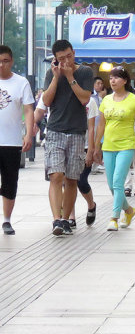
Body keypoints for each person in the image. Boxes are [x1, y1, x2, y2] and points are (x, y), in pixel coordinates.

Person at [41, 39, 94, 236]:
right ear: (55, 59)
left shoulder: (85, 72)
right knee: (56, 175)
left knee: (72, 179)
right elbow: (46, 101)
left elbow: (84, 98)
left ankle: (65, 220)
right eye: (61, 58)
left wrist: (71, 77)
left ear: (74, 52)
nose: (66, 61)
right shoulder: (51, 73)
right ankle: (56, 219)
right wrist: (56, 77)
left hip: (77, 132)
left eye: (69, 56)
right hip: (55, 130)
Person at [94, 67, 135, 231]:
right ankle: (129, 210)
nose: (112, 81)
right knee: (112, 186)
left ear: (125, 81)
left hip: (126, 145)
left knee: (118, 183)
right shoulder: (106, 100)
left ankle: (114, 218)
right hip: (108, 146)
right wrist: (96, 146)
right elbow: (101, 126)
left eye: (116, 78)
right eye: (111, 78)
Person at [35, 95, 98, 229]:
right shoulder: (53, 91)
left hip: (81, 142)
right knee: (58, 178)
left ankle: (91, 205)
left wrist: (92, 149)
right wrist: (31, 129)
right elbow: (40, 110)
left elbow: (92, 127)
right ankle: (67, 218)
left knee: (77, 181)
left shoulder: (89, 100)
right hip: (56, 137)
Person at [0, 45, 34, 235]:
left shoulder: (21, 83)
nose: (2, 65)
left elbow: (29, 109)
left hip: (11, 142)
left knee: (10, 181)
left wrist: (28, 134)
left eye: (5, 61)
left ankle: (6, 220)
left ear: (11, 61)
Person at [90, 76, 107, 174]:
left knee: (99, 144)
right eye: (98, 83)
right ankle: (92, 166)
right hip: (93, 124)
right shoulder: (92, 95)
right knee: (93, 143)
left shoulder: (101, 96)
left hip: (100, 124)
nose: (100, 85)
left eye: (101, 84)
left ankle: (96, 166)